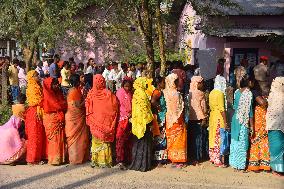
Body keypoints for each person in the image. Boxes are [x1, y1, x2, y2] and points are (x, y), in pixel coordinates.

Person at [85, 74, 118, 168]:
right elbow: (115, 106)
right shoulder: (108, 94)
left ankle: (95, 160)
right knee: (104, 140)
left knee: (96, 141)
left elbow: (87, 108)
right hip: (105, 123)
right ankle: (105, 160)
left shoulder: (90, 94)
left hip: (94, 122)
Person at [229, 75, 254, 171]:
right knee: (242, 143)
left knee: (235, 141)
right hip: (243, 120)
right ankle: (241, 165)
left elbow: (235, 106)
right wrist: (252, 126)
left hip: (235, 119)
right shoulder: (249, 94)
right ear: (248, 83)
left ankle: (234, 164)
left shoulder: (236, 92)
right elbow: (250, 111)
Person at [129, 77, 154, 172]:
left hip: (137, 122)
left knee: (137, 143)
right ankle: (143, 165)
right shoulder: (143, 94)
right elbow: (146, 110)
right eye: (145, 83)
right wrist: (150, 122)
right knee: (144, 143)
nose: (147, 85)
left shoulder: (135, 93)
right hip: (144, 122)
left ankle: (136, 164)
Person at [65, 74, 89, 164]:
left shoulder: (71, 90)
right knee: (77, 138)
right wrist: (86, 99)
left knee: (73, 138)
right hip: (76, 118)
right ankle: (77, 158)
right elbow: (77, 105)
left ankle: (74, 158)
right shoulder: (74, 91)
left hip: (72, 117)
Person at [164, 73, 187, 168]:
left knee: (171, 138)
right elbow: (180, 109)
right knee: (179, 139)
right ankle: (179, 159)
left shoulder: (165, 92)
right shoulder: (176, 94)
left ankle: (172, 158)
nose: (178, 82)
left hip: (169, 119)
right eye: (176, 81)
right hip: (177, 120)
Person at [43, 77, 67, 165]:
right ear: (49, 85)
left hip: (57, 117)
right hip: (51, 118)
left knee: (60, 138)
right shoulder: (48, 95)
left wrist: (63, 104)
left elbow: (63, 103)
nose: (57, 85)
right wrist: (63, 104)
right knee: (54, 139)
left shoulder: (58, 92)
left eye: (57, 83)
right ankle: (54, 159)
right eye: (55, 84)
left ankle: (60, 158)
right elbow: (58, 105)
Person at [247, 80, 270, 172]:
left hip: (255, 119)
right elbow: (262, 103)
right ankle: (262, 165)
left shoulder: (244, 91)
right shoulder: (254, 91)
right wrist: (267, 100)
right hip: (258, 120)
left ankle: (255, 165)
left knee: (256, 141)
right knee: (261, 141)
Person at [25, 70, 46, 165]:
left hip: (38, 112)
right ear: (31, 77)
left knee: (39, 135)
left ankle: (38, 157)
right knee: (34, 136)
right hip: (33, 113)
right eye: (36, 76)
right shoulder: (31, 88)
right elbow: (34, 102)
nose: (38, 77)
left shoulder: (38, 86)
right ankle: (32, 159)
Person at [209, 75, 229, 167]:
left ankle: (212, 157)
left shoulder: (212, 92)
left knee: (213, 137)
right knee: (219, 138)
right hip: (218, 118)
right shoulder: (220, 93)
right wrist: (225, 122)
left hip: (212, 117)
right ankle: (218, 159)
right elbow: (222, 109)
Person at [0, 95, 26, 165]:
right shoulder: (23, 108)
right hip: (9, 157)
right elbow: (18, 145)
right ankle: (13, 160)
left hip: (2, 156)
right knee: (21, 144)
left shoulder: (13, 107)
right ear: (24, 100)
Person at [266, 77, 284, 176]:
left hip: (277, 124)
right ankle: (275, 169)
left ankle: (279, 168)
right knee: (277, 147)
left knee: (278, 147)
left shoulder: (273, 94)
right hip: (275, 125)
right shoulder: (276, 95)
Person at [188, 76, 208, 165]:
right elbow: (198, 107)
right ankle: (197, 157)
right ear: (197, 83)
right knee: (198, 138)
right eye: (201, 83)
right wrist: (203, 118)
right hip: (199, 118)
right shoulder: (199, 93)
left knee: (193, 138)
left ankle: (193, 156)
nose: (203, 85)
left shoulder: (190, 93)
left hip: (191, 118)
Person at [115, 77, 133, 170]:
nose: (127, 88)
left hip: (130, 119)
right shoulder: (119, 93)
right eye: (125, 86)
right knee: (120, 140)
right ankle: (120, 160)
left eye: (129, 87)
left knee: (128, 140)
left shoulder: (131, 93)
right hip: (122, 119)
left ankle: (127, 159)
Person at [151, 76, 167, 167]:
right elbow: (153, 101)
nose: (164, 84)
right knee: (160, 139)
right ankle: (159, 161)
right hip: (160, 118)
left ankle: (160, 159)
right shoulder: (157, 92)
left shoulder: (160, 91)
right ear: (159, 83)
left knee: (161, 138)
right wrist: (159, 108)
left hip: (161, 116)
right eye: (163, 82)